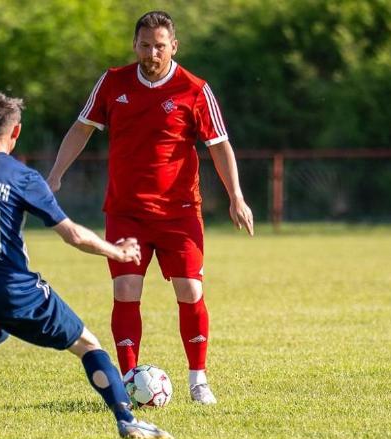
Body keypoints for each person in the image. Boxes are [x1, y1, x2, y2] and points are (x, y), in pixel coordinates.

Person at [0, 92, 173, 439]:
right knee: (89, 345)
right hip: (17, 291)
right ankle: (126, 419)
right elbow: (73, 234)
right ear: (15, 133)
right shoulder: (23, 177)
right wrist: (115, 251)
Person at [46, 11, 255, 405]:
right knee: (126, 290)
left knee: (191, 290)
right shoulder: (113, 82)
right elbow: (82, 126)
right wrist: (56, 174)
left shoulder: (194, 89)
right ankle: (128, 381)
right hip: (126, 211)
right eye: (145, 45)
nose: (152, 53)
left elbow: (220, 145)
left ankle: (198, 380)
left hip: (179, 212)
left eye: (160, 45)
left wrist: (236, 197)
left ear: (173, 46)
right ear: (135, 45)